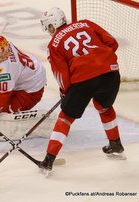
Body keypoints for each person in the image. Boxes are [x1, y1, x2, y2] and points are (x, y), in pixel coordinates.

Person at [38, 7, 124, 171]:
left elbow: (61, 74)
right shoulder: (85, 23)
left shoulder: (54, 44)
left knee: (65, 118)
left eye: (48, 26)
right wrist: (101, 61)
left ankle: (48, 160)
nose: (48, 30)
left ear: (54, 25)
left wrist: (65, 92)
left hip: (84, 80)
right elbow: (112, 42)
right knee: (104, 107)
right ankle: (116, 144)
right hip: (111, 73)